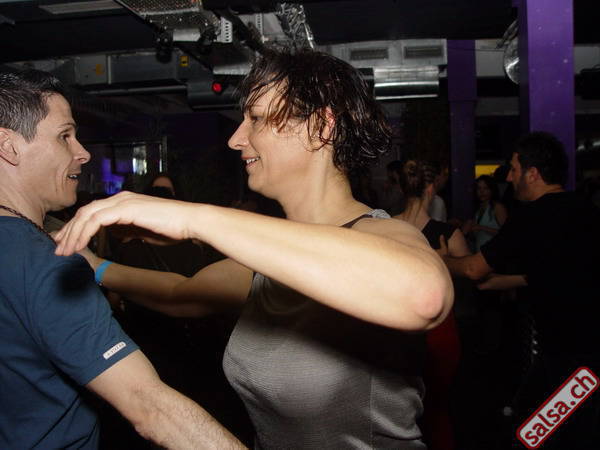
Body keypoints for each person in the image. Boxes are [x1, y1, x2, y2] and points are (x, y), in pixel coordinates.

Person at [55, 48, 454, 449]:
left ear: (321, 125)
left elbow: (423, 296)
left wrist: (194, 218)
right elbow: (181, 292)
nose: (236, 139)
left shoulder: (382, 234)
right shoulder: (271, 255)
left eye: (257, 119)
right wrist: (94, 265)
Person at [0, 68, 243, 449]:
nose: (82, 152)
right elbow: (150, 408)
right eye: (65, 136)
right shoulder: (46, 262)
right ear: (8, 145)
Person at [437, 131, 600, 449]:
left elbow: (473, 269)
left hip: (569, 357)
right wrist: (497, 282)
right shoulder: (585, 208)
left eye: (514, 169)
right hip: (584, 352)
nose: (509, 178)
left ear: (532, 173)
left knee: (537, 433)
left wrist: (441, 261)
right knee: (557, 429)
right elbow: (555, 273)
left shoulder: (532, 216)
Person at [394, 159, 469, 450]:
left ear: (402, 188)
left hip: (394, 327)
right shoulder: (448, 235)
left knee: (398, 408)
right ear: (431, 189)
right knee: (436, 409)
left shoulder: (384, 228)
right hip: (438, 330)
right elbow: (468, 283)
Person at [461, 174, 507, 252]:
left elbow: (507, 233)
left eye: (485, 188)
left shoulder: (497, 207)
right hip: (481, 254)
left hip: (496, 253)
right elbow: (475, 237)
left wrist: (481, 228)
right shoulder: (478, 209)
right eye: (479, 188)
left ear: (492, 190)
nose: (481, 192)